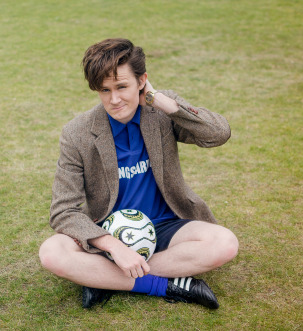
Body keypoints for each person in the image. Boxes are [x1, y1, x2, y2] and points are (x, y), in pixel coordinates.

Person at [39, 38, 239, 309]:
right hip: (106, 229)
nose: (114, 99)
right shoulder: (77, 133)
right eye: (104, 90)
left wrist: (160, 101)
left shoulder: (160, 112)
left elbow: (218, 134)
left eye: (122, 86)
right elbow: (63, 211)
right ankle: (164, 284)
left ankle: (99, 277)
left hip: (166, 225)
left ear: (142, 80)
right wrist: (113, 247)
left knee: (224, 243)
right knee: (52, 253)